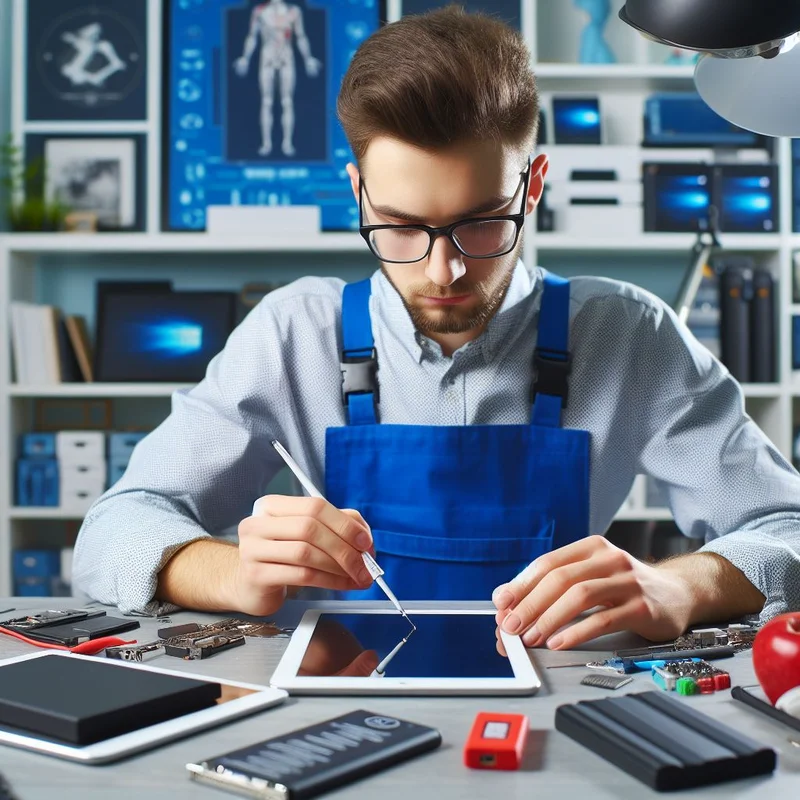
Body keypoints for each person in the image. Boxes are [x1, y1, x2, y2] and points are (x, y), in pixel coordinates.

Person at [74, 7, 800, 653]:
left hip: (555, 726)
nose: (445, 271)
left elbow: (786, 525)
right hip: (333, 717)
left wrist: (680, 589)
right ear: (357, 192)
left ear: (534, 184)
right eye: (399, 227)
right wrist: (232, 570)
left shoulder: (629, 335)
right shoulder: (294, 333)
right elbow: (110, 531)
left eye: (482, 222)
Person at [233, 0, 322, 156]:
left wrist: (308, 58)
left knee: (287, 101)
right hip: (267, 57)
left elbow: (301, 36)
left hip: (286, 58)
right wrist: (245, 58)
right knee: (266, 101)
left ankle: (287, 143)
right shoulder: (259, 11)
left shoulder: (294, 12)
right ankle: (266, 144)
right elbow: (252, 36)